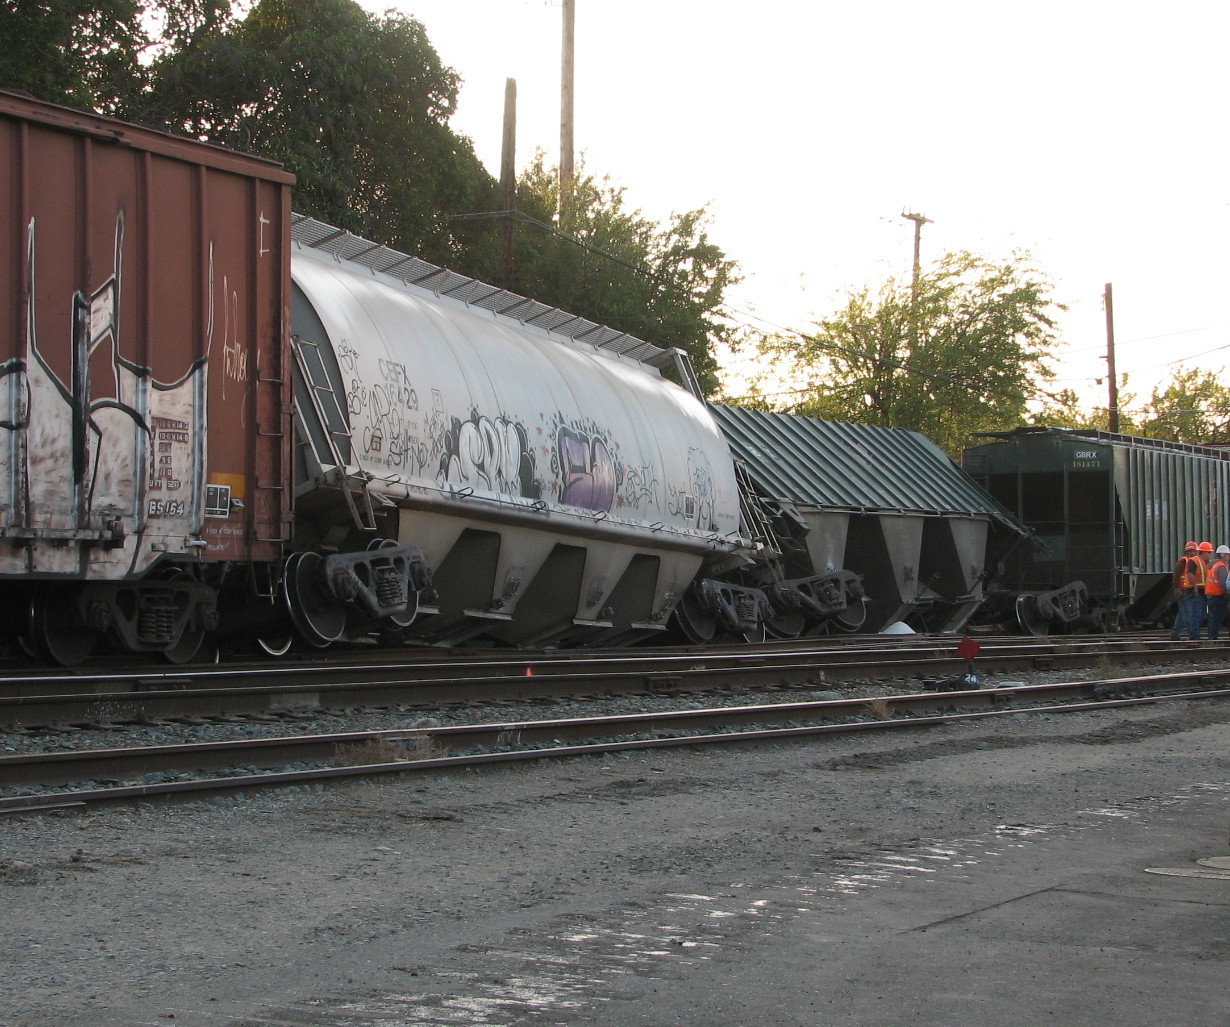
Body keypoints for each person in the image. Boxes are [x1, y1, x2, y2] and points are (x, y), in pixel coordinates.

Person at [1171, 540, 1206, 640]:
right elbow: (1176, 575)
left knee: (1182, 612)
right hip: (1183, 590)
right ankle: (1192, 633)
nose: (1195, 553)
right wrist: (1177, 588)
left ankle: (1175, 633)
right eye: (1194, 551)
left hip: (1185, 589)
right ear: (1189, 551)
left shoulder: (1192, 561)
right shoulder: (1183, 561)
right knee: (1186, 612)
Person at [1206, 545, 1230, 640]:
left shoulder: (1212, 565)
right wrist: (1227, 592)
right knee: (1217, 617)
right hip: (1218, 595)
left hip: (1210, 594)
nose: (1229, 557)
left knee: (1212, 617)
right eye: (1228, 555)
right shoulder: (1221, 566)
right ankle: (1213, 637)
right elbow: (1224, 582)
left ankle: (1211, 636)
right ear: (1223, 555)